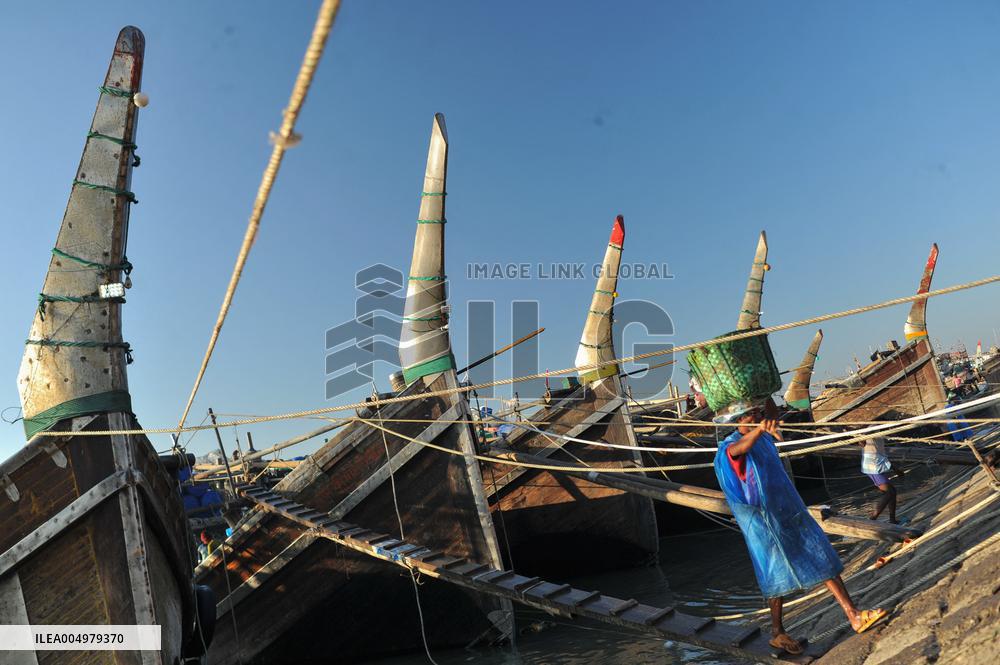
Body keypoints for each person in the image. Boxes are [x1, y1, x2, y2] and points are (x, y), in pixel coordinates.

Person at [715, 399, 887, 655]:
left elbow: (771, 414)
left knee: (820, 552)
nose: (757, 416)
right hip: (764, 522)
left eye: (757, 413)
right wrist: (760, 428)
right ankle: (777, 632)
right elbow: (739, 449)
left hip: (788, 509)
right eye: (751, 414)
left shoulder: (763, 437)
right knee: (775, 574)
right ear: (739, 420)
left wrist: (766, 398)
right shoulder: (731, 446)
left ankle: (854, 615)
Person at [861, 437, 899, 523]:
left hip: (878, 463)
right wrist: (862, 439)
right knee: (889, 492)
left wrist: (894, 468)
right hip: (872, 466)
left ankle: (892, 519)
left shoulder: (877, 429)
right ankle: (873, 518)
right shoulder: (870, 429)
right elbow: (862, 442)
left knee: (892, 491)